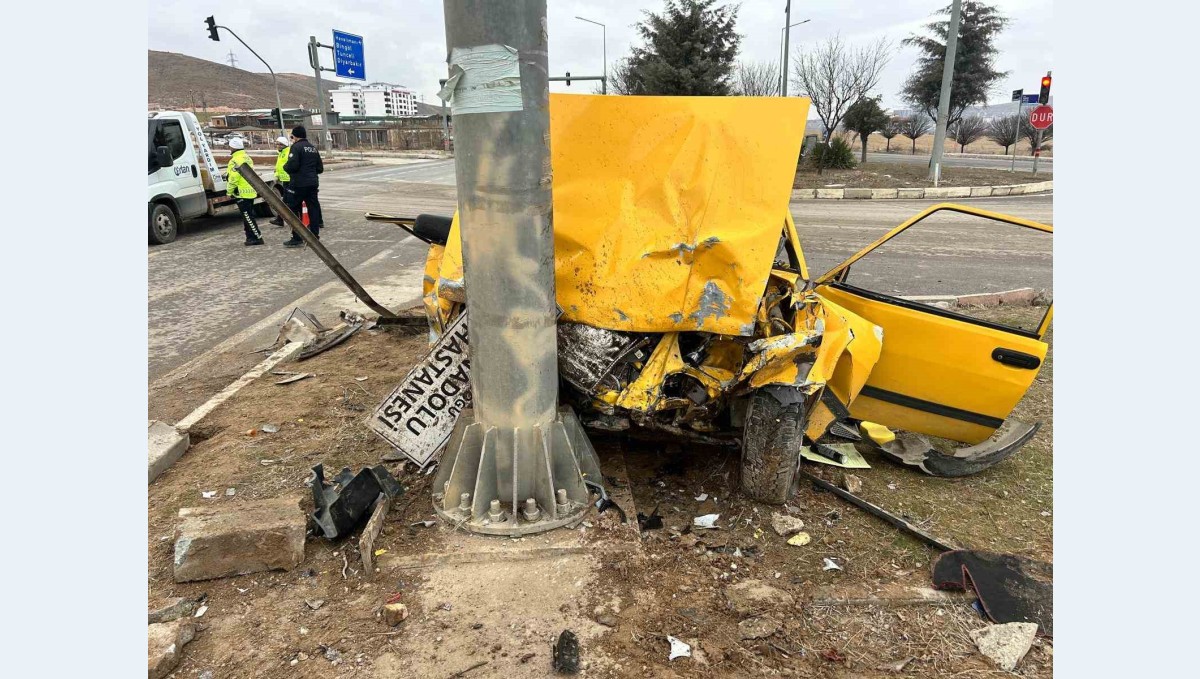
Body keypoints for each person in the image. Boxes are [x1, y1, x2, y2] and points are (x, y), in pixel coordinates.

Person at [282, 125, 324, 248]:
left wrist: (285, 167)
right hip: (312, 183)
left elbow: (292, 166)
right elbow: (320, 168)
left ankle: (297, 237)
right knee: (313, 209)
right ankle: (314, 235)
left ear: (294, 136)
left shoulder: (296, 147)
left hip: (298, 185)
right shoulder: (313, 148)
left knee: (293, 210)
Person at [226, 137, 264, 246]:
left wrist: (229, 191)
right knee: (248, 216)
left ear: (233, 147)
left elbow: (233, 178)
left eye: (230, 146)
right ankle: (250, 237)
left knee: (248, 216)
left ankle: (257, 237)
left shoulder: (234, 160)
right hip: (249, 191)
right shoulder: (247, 157)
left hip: (241, 192)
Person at [269, 135, 291, 226]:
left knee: (287, 201)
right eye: (276, 144)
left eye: (278, 144)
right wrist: (277, 175)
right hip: (285, 180)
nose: (277, 146)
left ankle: (281, 219)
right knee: (285, 201)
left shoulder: (288, 153)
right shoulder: (281, 153)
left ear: (283, 145)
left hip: (290, 180)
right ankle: (280, 219)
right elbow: (279, 167)